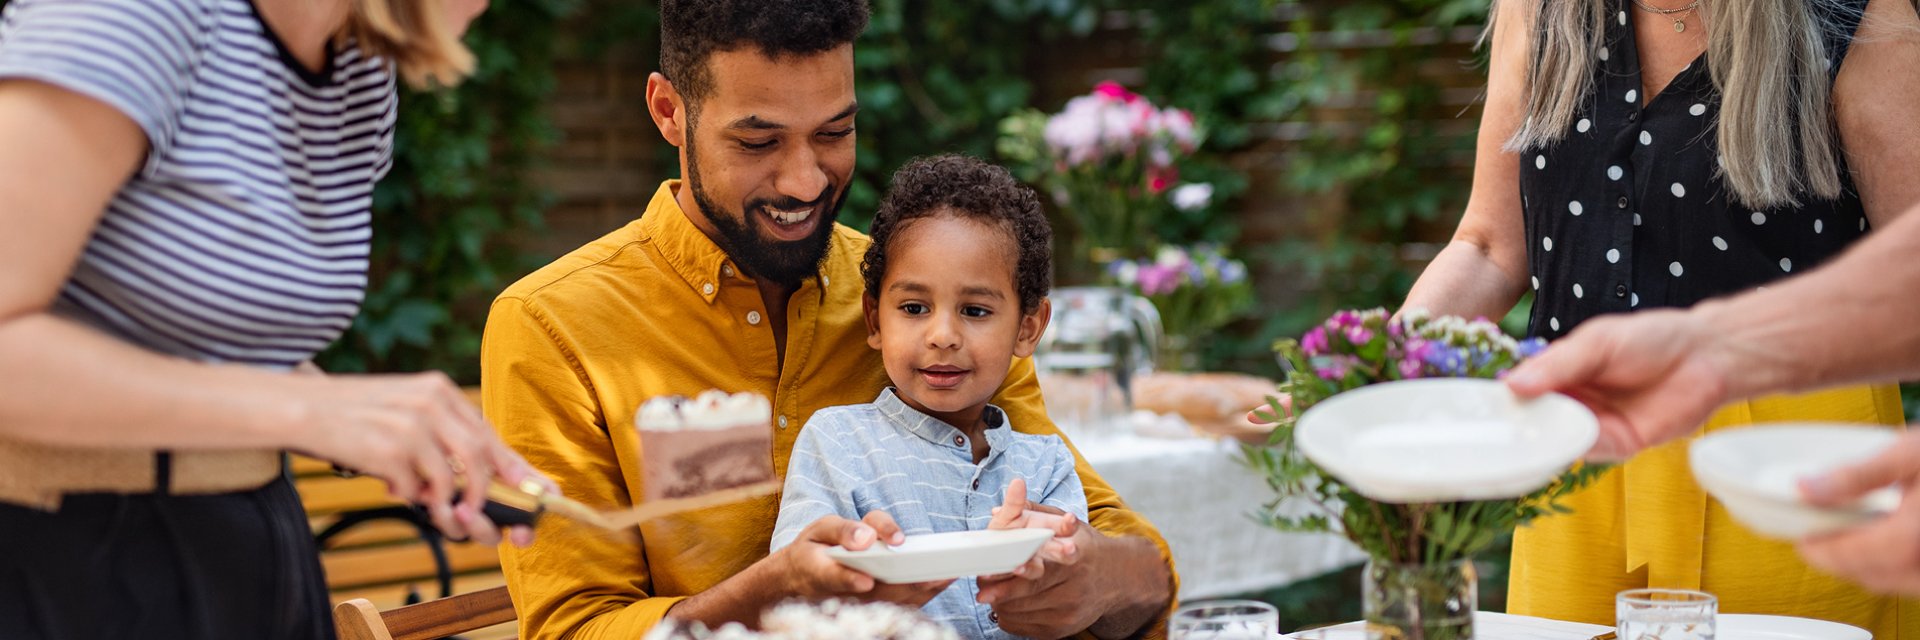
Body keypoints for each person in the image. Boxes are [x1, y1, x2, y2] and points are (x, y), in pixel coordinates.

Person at [479, 2, 1176, 638]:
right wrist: (767, 597)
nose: (805, 181)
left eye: (833, 132)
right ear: (668, 111)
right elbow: (572, 628)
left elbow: (1117, 546)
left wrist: (1096, 577)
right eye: (758, 142)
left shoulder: (921, 294)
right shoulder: (552, 325)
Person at [0, 0, 549, 638]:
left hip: (254, 547)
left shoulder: (359, 75)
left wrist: (375, 425)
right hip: (57, 555)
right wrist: (308, 413)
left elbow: (209, 346)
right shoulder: (130, 16)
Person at [1389, 0, 1920, 633]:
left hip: (1785, 463)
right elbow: (1489, 247)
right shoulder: (1540, 10)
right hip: (1577, 448)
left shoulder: (1856, 14)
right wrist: (1379, 372)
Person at [1501, 200, 1920, 597]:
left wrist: (1716, 351)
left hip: (1780, 448)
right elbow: (1488, 242)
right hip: (1586, 426)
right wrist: (1712, 349)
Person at [771, 155, 1085, 639]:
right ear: (875, 319)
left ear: (1028, 329)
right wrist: (849, 576)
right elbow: (793, 599)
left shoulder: (1046, 468)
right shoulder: (838, 443)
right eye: (914, 308)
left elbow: (1073, 601)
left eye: (975, 310)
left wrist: (1040, 571)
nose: (942, 336)